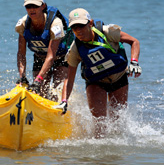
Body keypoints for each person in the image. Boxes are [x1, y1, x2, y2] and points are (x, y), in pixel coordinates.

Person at [54, 8, 142, 138]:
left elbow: (134, 42)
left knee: (117, 123)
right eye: (74, 27)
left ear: (90, 23)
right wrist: (64, 101)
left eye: (81, 26)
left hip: (118, 78)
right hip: (96, 82)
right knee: (100, 126)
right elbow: (69, 79)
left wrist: (134, 62)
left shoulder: (108, 32)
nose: (78, 30)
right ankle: (98, 157)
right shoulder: (75, 49)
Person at [15, 0, 74, 101]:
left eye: (35, 6)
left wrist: (38, 79)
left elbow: (51, 56)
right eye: (28, 6)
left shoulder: (55, 24)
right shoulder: (23, 24)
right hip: (40, 57)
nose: (32, 9)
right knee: (40, 92)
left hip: (61, 57)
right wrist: (22, 76)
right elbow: (21, 53)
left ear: (43, 6)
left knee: (56, 92)